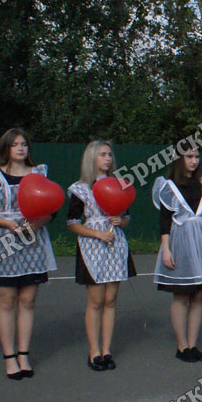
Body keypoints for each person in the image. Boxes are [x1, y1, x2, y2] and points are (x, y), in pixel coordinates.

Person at [0, 128, 58, 379]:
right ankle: (9, 357)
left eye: (24, 144)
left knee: (28, 301)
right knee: (7, 300)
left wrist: (36, 224)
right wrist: (9, 224)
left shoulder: (39, 174)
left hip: (33, 242)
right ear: (6, 148)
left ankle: (24, 354)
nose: (20, 148)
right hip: (4, 242)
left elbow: (52, 206)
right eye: (15, 144)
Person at [152, 145, 202, 362]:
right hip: (181, 242)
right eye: (189, 156)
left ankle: (193, 344)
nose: (194, 161)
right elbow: (165, 221)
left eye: (196, 156)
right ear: (179, 159)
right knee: (182, 294)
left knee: (198, 295)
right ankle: (182, 345)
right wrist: (166, 248)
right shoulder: (169, 187)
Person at [66, 141, 136, 372]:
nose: (107, 158)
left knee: (111, 300)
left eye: (109, 154)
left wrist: (121, 221)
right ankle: (94, 351)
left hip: (115, 245)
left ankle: (107, 350)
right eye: (102, 154)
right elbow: (72, 223)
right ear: (92, 158)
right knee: (96, 301)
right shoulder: (80, 188)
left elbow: (126, 218)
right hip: (91, 247)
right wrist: (95, 233)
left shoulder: (120, 185)